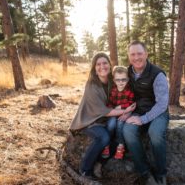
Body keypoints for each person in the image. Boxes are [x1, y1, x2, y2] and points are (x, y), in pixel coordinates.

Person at [69, 53, 136, 179]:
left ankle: (100, 162)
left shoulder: (114, 80)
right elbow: (105, 111)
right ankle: (85, 170)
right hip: (90, 121)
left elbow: (129, 90)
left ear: (110, 65)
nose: (102, 66)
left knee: (118, 134)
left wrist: (133, 105)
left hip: (107, 119)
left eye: (105, 63)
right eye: (98, 64)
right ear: (94, 68)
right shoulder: (91, 85)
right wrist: (126, 111)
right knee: (103, 137)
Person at [123, 41, 169, 185]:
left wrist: (143, 119)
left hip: (158, 112)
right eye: (133, 54)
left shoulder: (157, 74)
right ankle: (144, 171)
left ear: (146, 54)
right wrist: (124, 111)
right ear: (129, 57)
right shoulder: (127, 73)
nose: (136, 57)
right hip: (138, 110)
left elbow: (162, 104)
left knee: (155, 134)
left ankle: (161, 174)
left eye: (139, 53)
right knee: (128, 131)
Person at [101, 66, 135, 160]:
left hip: (125, 113)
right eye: (118, 80)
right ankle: (106, 144)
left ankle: (121, 145)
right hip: (114, 112)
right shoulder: (113, 91)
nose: (121, 82)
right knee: (111, 124)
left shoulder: (129, 91)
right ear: (114, 80)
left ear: (128, 79)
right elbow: (109, 104)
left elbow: (132, 104)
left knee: (120, 123)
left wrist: (121, 107)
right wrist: (114, 109)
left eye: (123, 79)